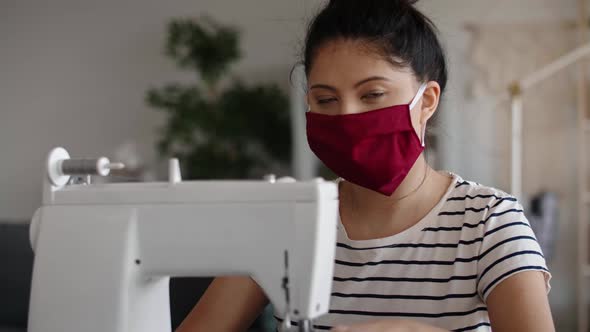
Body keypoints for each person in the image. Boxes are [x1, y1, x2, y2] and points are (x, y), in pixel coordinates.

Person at [176, 0, 554, 331]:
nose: (347, 116)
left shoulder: (489, 222)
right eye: (325, 100)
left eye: (372, 95)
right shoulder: (285, 222)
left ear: (427, 101)